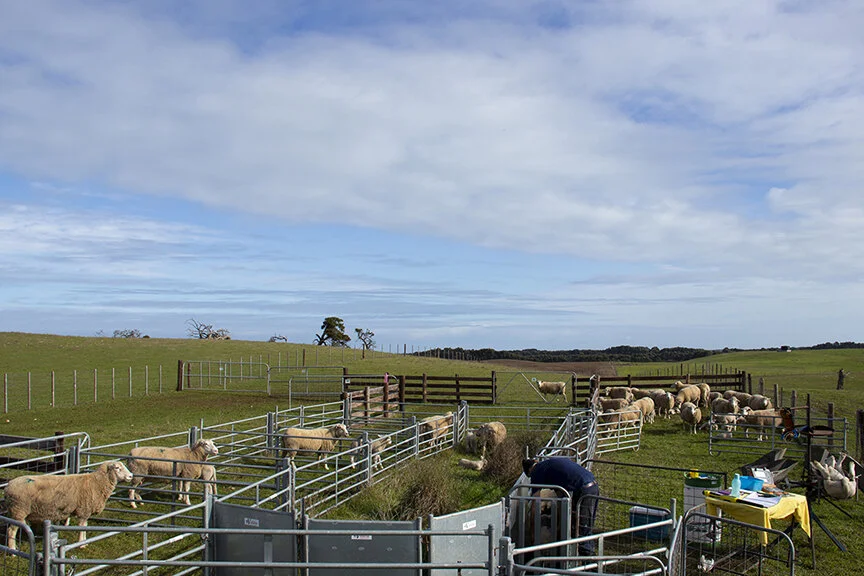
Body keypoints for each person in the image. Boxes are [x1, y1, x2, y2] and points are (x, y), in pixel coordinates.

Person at [522, 457, 600, 555]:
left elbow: (535, 504)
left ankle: (589, 563)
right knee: (586, 526)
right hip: (593, 484)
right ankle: (582, 557)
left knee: (581, 529)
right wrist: (559, 525)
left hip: (583, 489)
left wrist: (532, 532)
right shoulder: (550, 465)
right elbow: (560, 494)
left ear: (529, 470)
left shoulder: (536, 472)